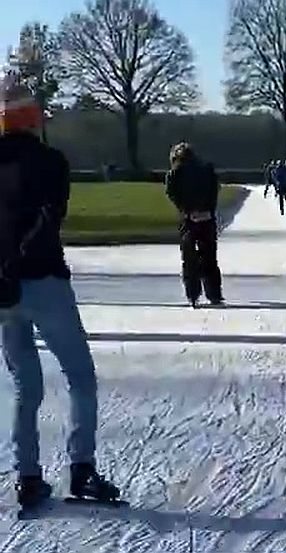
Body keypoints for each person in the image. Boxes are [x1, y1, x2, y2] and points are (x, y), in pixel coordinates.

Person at [0, 80, 120, 510]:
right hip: (45, 279)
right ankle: (81, 469)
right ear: (32, 119)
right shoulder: (51, 161)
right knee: (80, 377)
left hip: (2, 290)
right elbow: (55, 218)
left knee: (25, 386)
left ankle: (27, 476)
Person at [166, 143, 224, 307]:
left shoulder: (175, 173)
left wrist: (185, 209)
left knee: (189, 258)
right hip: (207, 216)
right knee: (210, 257)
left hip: (189, 217)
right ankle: (214, 293)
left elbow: (172, 193)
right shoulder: (207, 169)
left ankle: (193, 293)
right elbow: (215, 189)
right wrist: (209, 209)